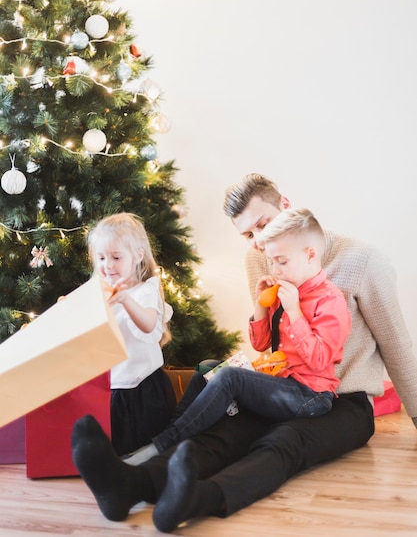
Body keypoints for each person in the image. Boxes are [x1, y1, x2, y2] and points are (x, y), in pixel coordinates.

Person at [72, 173, 417, 533]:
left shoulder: (362, 260)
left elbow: (398, 347)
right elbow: (265, 340)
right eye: (247, 235)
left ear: (286, 206)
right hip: (287, 385)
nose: (258, 243)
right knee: (229, 431)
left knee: (283, 442)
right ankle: (128, 486)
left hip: (342, 401)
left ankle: (199, 498)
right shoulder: (261, 259)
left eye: (262, 226)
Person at [126, 207, 351, 461]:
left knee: (231, 377)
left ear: (310, 255)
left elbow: (319, 359)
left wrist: (295, 313)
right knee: (206, 370)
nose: (276, 270)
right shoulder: (285, 292)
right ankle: (166, 440)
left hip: (310, 396)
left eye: (282, 261)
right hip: (280, 380)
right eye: (272, 261)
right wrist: (260, 306)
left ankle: (159, 447)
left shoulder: (330, 300)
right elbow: (261, 343)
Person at [87, 212, 176, 456]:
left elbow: (149, 324)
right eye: (102, 257)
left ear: (137, 256)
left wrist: (125, 300)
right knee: (118, 452)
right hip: (114, 387)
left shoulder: (146, 289)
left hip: (143, 388)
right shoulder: (100, 291)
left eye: (116, 257)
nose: (108, 265)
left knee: (146, 451)